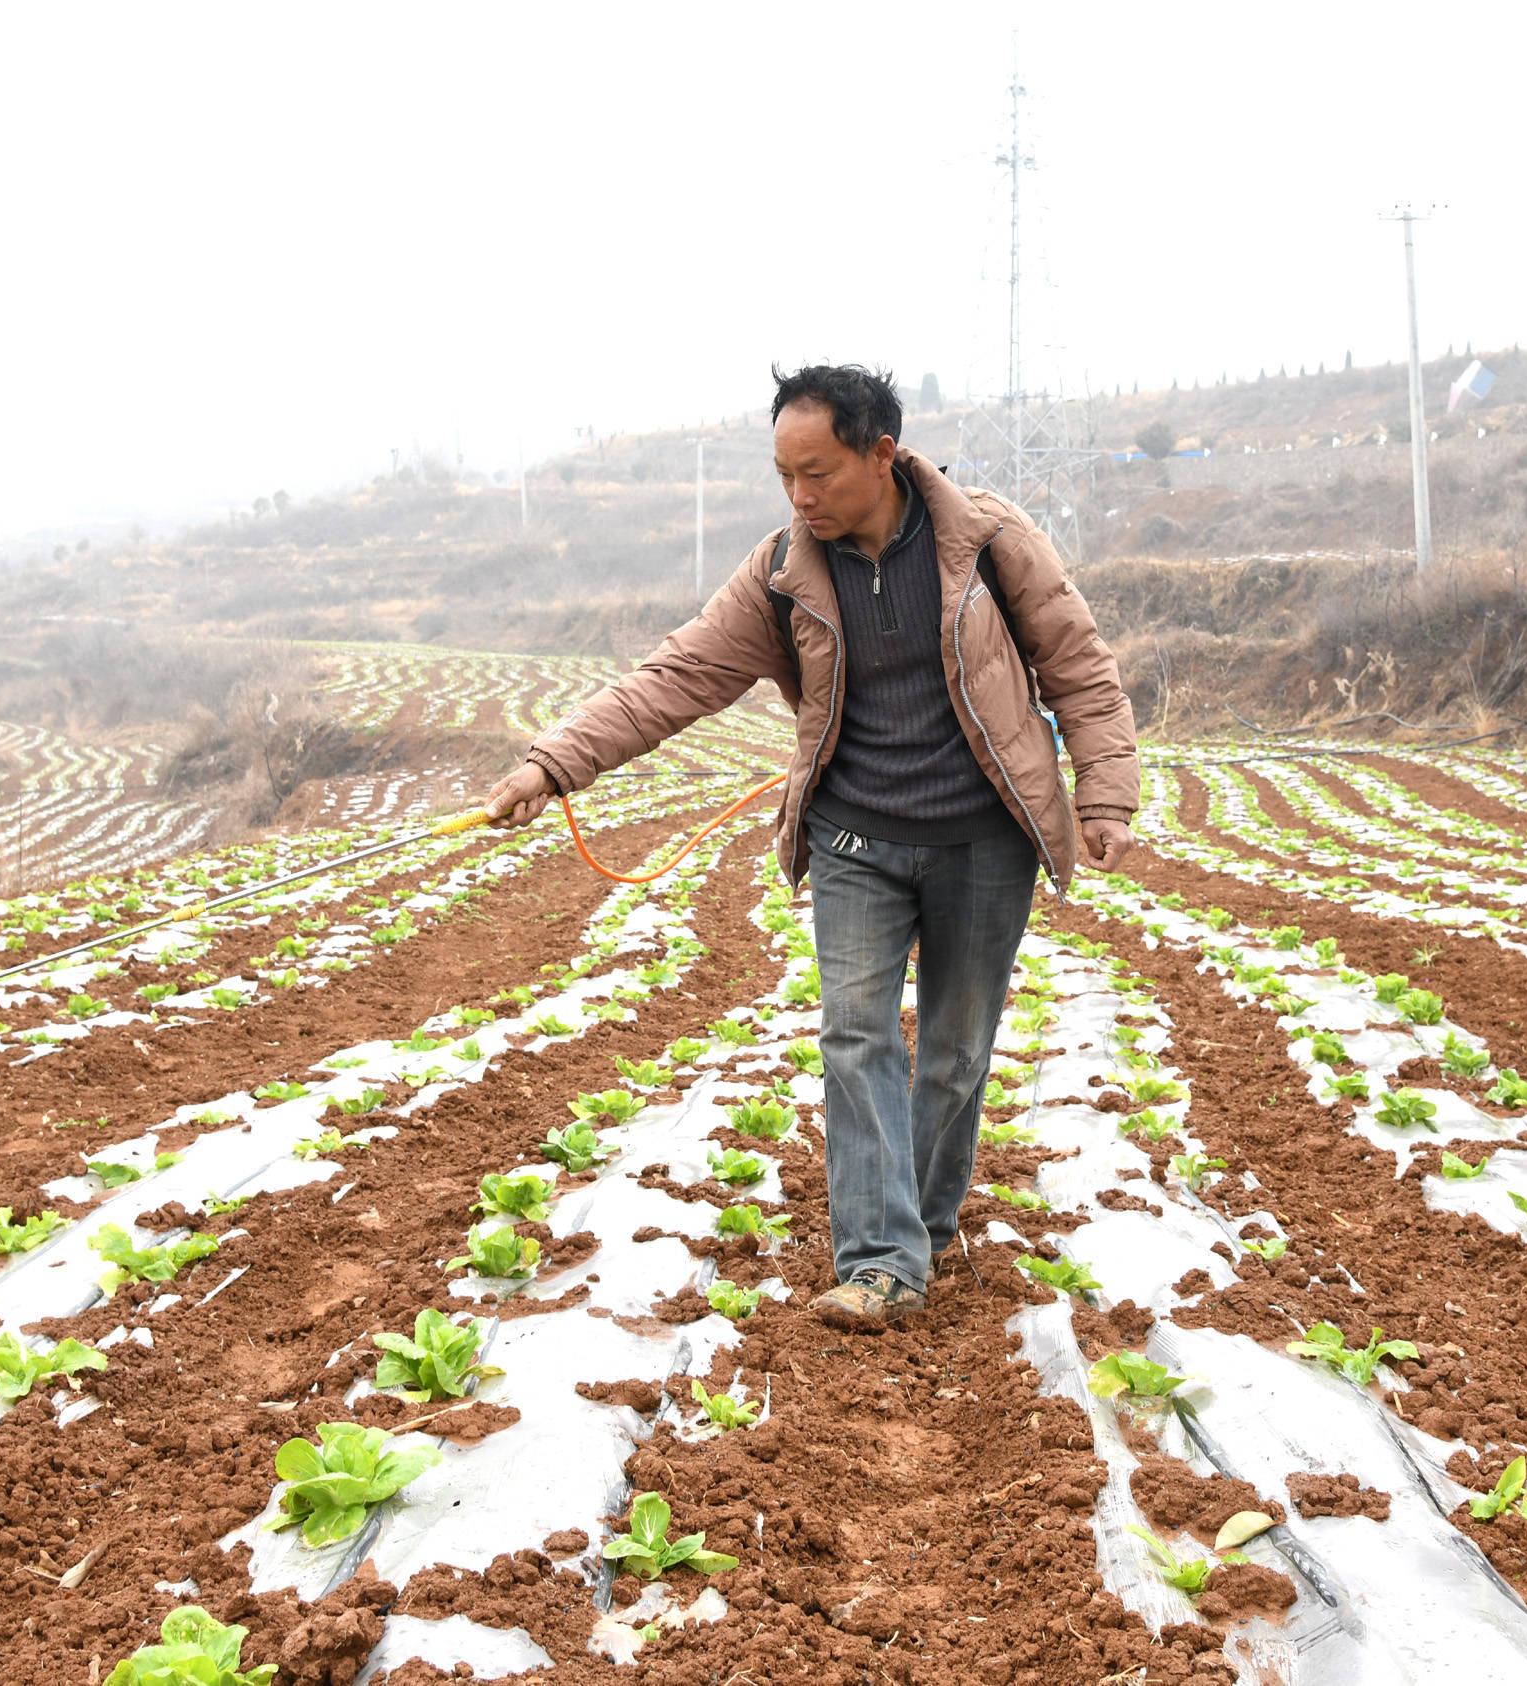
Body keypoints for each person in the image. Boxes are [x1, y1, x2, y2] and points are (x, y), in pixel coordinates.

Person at [485, 364, 1139, 1330]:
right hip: (854, 839)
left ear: (883, 454)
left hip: (982, 839)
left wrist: (1105, 798)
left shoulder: (990, 542)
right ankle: (880, 1259)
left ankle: (919, 1223)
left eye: (819, 472)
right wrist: (553, 766)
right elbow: (676, 677)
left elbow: (1079, 670)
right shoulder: (783, 573)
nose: (800, 496)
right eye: (784, 475)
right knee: (855, 1033)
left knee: (956, 1055)